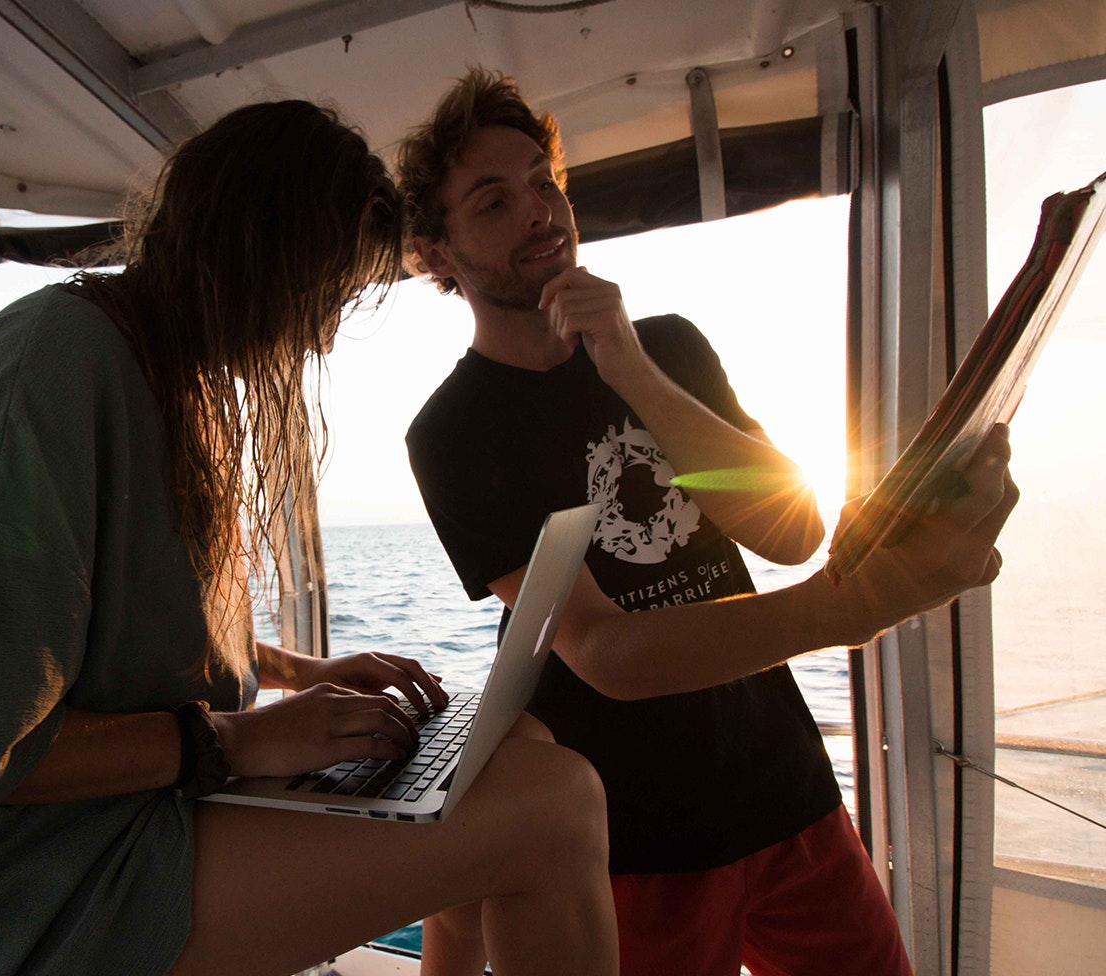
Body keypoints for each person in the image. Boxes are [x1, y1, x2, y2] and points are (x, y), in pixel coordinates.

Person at [0, 99, 620, 976]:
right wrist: (236, 739)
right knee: (554, 809)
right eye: (325, 297)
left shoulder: (172, 379)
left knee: (516, 749)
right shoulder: (52, 366)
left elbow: (99, 627)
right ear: (260, 256)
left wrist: (300, 672)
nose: (322, 334)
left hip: (145, 805)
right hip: (18, 896)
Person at [396, 69, 1018, 976]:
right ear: (438, 253)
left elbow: (791, 530)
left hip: (783, 786)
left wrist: (636, 375)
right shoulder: (452, 433)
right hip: (635, 835)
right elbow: (605, 652)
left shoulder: (669, 346)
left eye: (543, 182)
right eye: (494, 201)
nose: (538, 212)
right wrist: (847, 610)